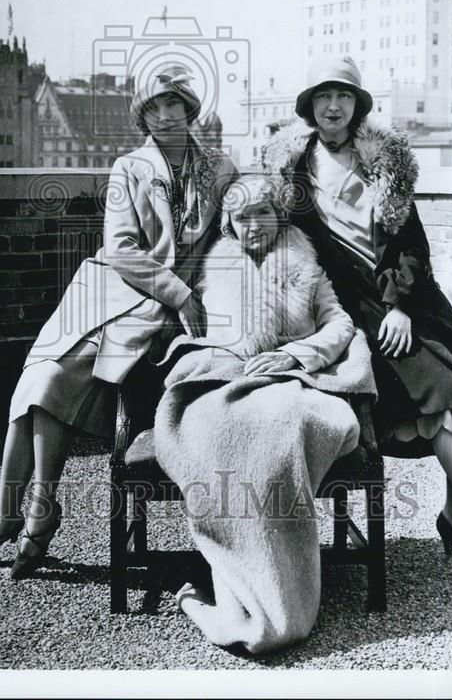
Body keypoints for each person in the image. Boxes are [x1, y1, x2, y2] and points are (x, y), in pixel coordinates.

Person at [0, 65, 237, 579]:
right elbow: (122, 248)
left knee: (53, 386)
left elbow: (237, 231)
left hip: (158, 311)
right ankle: (15, 514)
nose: (167, 115)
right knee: (41, 380)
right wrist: (177, 291)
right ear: (144, 116)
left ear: (190, 108)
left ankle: (25, 519)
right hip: (108, 290)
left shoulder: (219, 169)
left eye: (175, 103)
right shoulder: (128, 167)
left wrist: (201, 295)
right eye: (155, 107)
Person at [262, 55, 452, 588]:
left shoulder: (384, 159)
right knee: (441, 403)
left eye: (343, 96)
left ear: (357, 105)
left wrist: (404, 305)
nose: (333, 106)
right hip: (355, 310)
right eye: (323, 97)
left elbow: (410, 240)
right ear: (310, 106)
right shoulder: (290, 170)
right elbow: (283, 243)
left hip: (412, 298)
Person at [154, 174, 376, 654]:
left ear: (278, 216)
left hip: (293, 382)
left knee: (280, 431)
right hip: (223, 380)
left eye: (262, 213)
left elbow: (340, 323)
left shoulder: (306, 267)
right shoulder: (217, 268)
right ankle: (249, 605)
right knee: (220, 435)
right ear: (229, 224)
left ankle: (244, 612)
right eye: (241, 217)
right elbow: (208, 340)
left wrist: (297, 354)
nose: (253, 225)